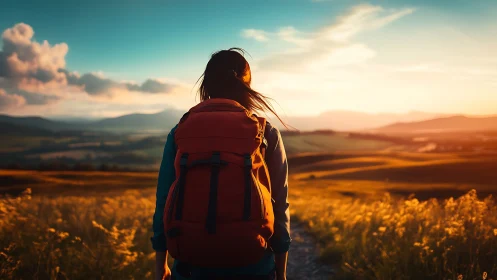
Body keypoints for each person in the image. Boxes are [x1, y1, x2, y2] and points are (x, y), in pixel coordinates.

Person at [151, 48, 291, 280]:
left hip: (190, 266)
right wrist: (281, 270)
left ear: (206, 85)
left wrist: (160, 264)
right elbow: (279, 206)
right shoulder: (265, 133)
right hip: (253, 265)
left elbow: (164, 199)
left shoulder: (181, 131)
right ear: (246, 85)